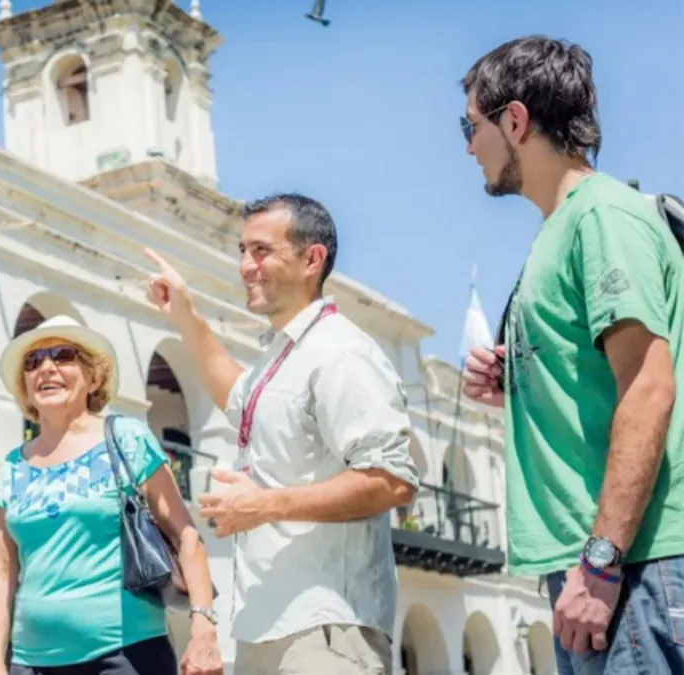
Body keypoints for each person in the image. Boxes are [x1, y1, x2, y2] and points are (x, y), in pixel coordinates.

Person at [460, 36, 684, 674]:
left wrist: (601, 562)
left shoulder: (602, 217)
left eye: (471, 127)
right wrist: (518, 383)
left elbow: (648, 387)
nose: (469, 147)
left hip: (633, 566)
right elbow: (600, 382)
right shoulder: (559, 230)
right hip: (603, 569)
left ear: (515, 121)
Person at [145, 193, 419, 674]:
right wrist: (187, 315)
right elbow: (237, 397)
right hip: (265, 628)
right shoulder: (285, 354)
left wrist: (264, 505)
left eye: (261, 251)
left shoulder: (341, 352)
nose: (245, 266)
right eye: (242, 251)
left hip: (325, 628)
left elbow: (391, 480)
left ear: (312, 259)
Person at [0, 314, 223, 675]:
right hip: (30, 663)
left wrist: (203, 629)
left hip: (125, 656)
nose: (46, 368)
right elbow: (2, 573)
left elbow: (186, 536)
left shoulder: (128, 439)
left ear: (93, 377)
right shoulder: (12, 467)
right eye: (33, 362)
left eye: (63, 356)